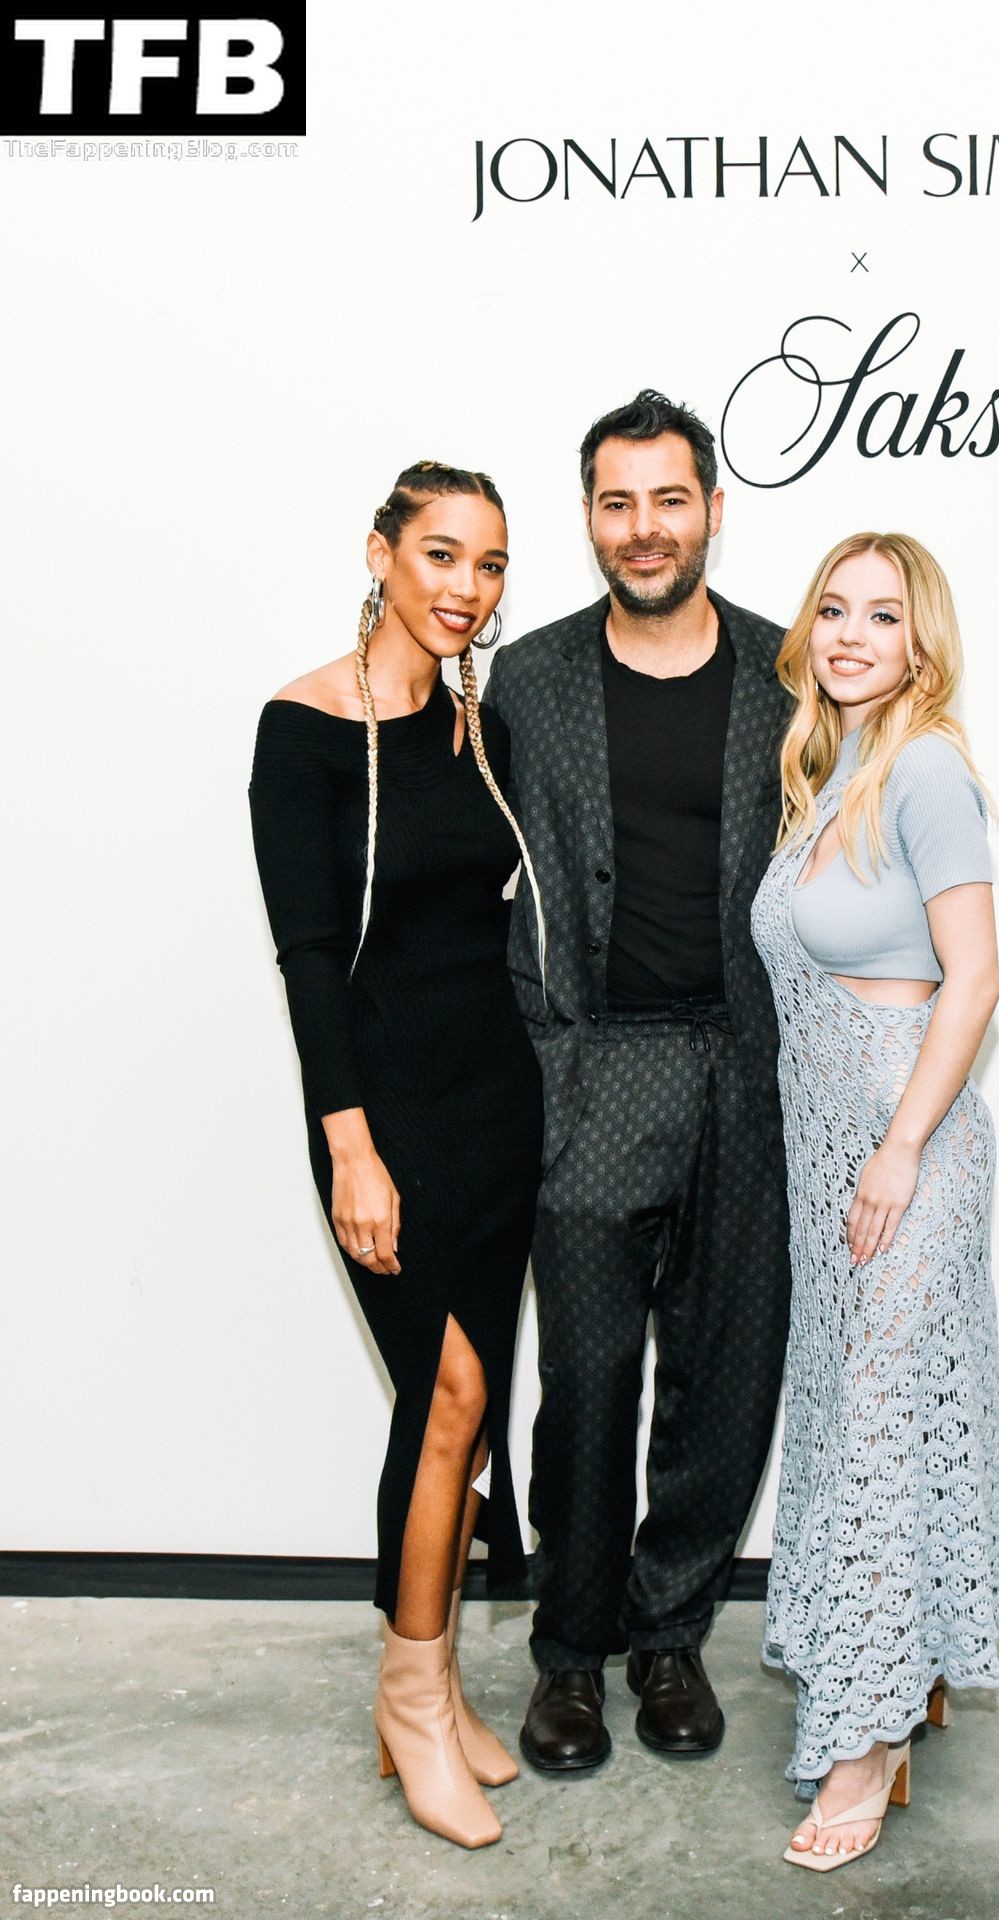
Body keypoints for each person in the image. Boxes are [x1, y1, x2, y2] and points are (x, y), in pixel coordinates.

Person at [484, 391, 793, 1772]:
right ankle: (570, 1654)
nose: (645, 527)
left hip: (749, 1069)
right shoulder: (529, 680)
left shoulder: (792, 672)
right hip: (591, 1071)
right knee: (591, 1379)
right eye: (619, 503)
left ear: (713, 511)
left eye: (670, 500)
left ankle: (671, 1638)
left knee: (726, 1373)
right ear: (590, 518)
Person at [248, 461, 543, 1849]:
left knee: (463, 1415)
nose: (465, 588)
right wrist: (350, 1149)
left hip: (496, 1108)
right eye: (440, 555)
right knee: (446, 1395)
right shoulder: (302, 730)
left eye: (489, 565)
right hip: (389, 1118)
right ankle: (410, 1701)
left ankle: (434, 1681)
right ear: (380, 555)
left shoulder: (477, 729)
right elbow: (311, 960)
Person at [749, 532, 999, 1871]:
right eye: (834, 610)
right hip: (829, 1152)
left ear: (922, 641)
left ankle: (868, 1738)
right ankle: (910, 1667)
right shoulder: (829, 771)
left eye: (883, 615)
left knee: (883, 1424)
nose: (852, 634)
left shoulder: (925, 769)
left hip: (909, 1152)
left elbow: (978, 976)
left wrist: (902, 1148)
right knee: (861, 1409)